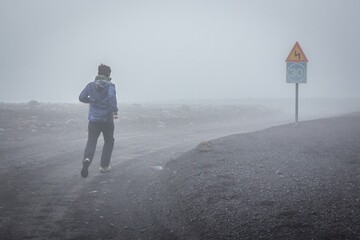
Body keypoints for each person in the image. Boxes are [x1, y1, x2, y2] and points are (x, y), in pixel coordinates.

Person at [79, 64, 118, 178]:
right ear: (108, 74)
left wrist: (92, 101)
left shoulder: (90, 86)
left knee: (92, 140)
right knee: (109, 141)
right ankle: (104, 166)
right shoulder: (110, 86)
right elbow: (111, 98)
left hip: (93, 120)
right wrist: (115, 111)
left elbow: (81, 98)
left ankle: (87, 159)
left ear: (98, 73)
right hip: (107, 120)